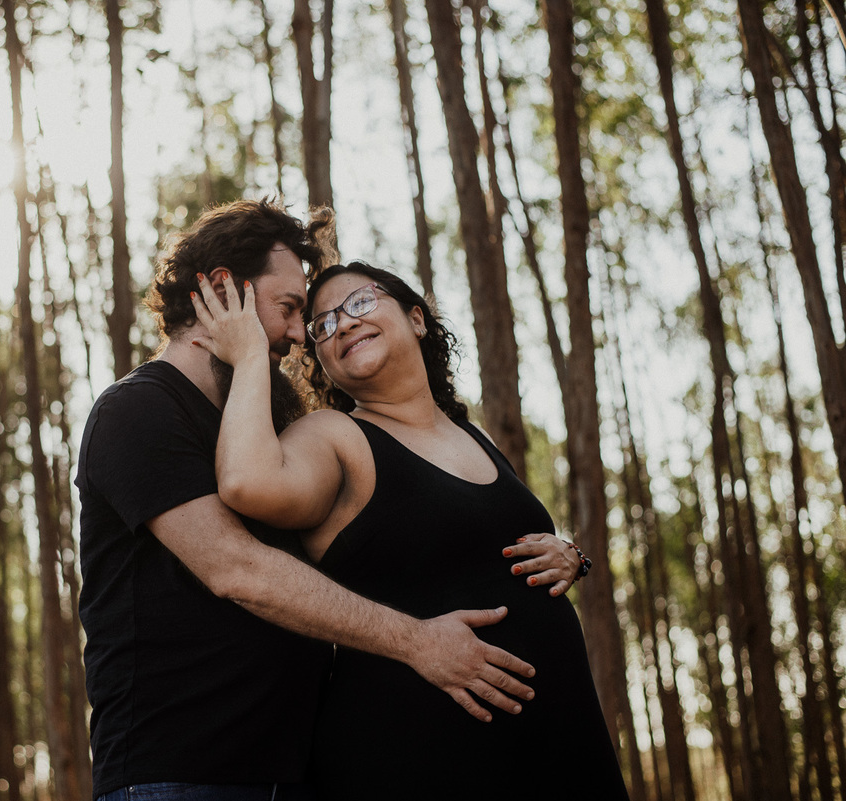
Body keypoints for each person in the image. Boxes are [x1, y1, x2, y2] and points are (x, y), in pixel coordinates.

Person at [77, 201, 550, 801]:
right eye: (290, 309)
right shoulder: (136, 411)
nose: (300, 335)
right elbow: (237, 570)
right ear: (224, 292)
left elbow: (396, 544)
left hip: (298, 772)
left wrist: (561, 552)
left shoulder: (267, 429)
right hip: (180, 774)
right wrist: (418, 642)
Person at [191, 259, 630, 799]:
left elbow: (488, 552)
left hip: (559, 747)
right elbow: (245, 482)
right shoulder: (337, 436)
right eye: (323, 325)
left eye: (359, 303)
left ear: (417, 319)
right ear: (324, 364)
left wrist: (570, 555)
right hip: (423, 756)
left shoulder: (474, 435)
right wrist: (251, 355)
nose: (343, 324)